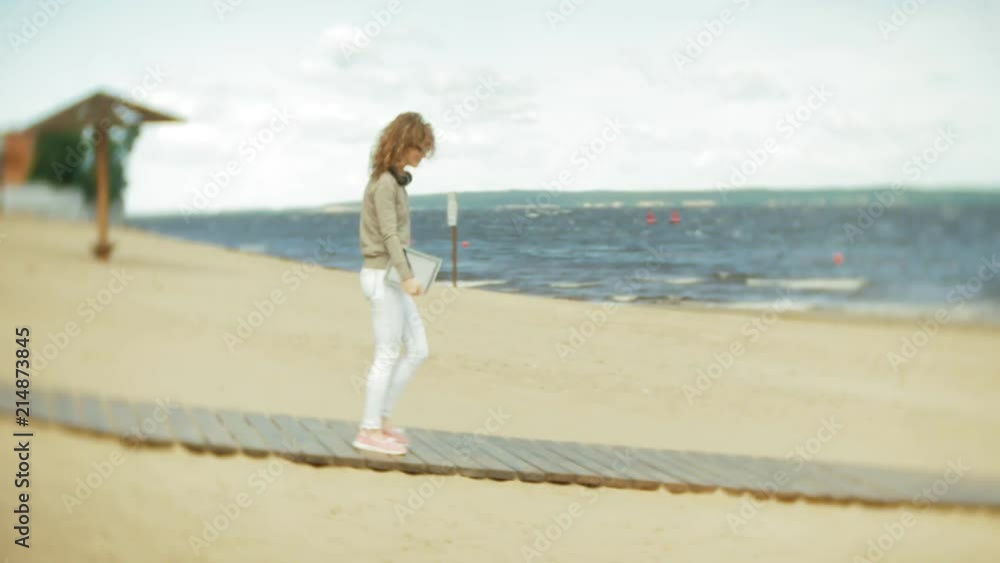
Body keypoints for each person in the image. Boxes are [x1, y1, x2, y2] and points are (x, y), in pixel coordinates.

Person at [353, 112, 435, 455]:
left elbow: (397, 237)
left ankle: (382, 420)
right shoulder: (385, 184)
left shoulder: (396, 180)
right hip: (381, 276)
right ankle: (368, 431)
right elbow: (388, 235)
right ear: (404, 142)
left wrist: (405, 273)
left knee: (418, 350)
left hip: (390, 276)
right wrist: (408, 276)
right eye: (420, 147)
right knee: (387, 353)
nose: (423, 155)